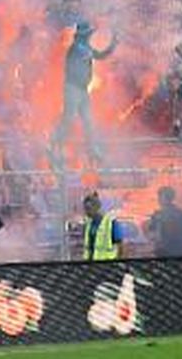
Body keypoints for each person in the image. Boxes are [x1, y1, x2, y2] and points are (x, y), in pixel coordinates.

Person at [51, 21, 117, 163]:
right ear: (82, 36)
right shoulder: (76, 48)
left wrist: (113, 44)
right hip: (72, 89)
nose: (89, 36)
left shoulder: (85, 47)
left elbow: (100, 55)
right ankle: (55, 145)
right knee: (68, 119)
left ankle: (92, 149)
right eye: (87, 34)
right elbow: (90, 54)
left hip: (82, 90)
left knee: (88, 121)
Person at [146, 186, 182, 258]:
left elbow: (152, 233)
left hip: (164, 251)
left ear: (163, 198)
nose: (159, 199)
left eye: (160, 197)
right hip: (180, 251)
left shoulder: (159, 215)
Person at [82, 191, 125, 261]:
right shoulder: (89, 223)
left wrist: (117, 263)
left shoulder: (111, 222)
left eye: (88, 209)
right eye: (85, 209)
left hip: (107, 264)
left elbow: (120, 246)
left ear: (96, 207)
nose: (86, 212)